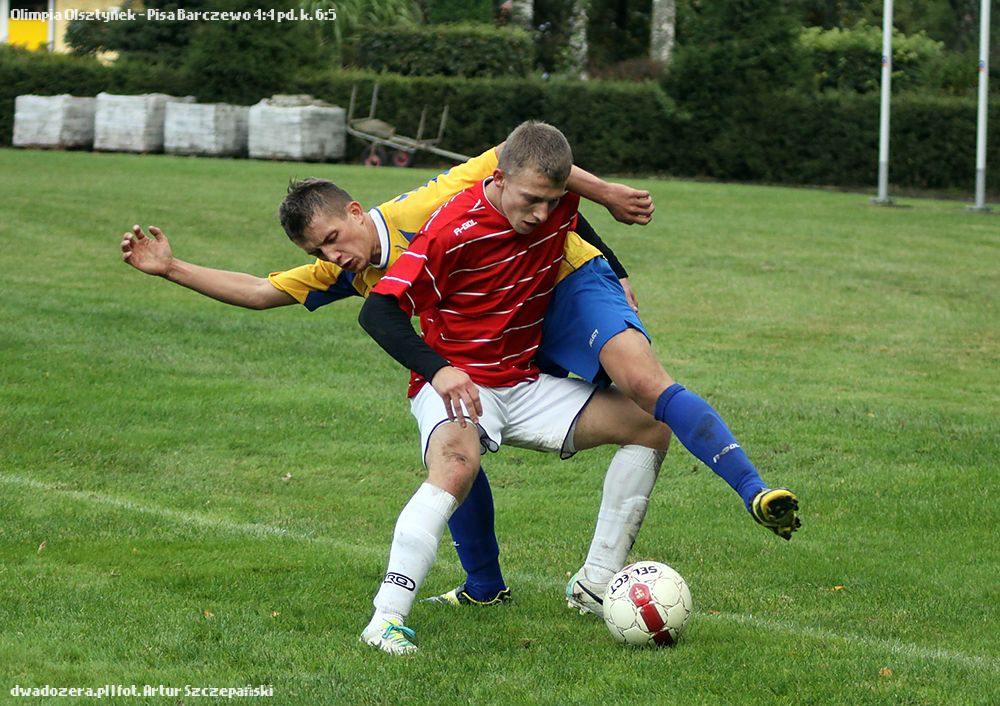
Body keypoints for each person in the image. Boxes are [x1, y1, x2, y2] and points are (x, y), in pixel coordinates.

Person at [120, 142, 666, 610]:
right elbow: (262, 292)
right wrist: (172, 268)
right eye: (318, 250)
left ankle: (590, 576)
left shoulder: (429, 204)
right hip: (476, 356)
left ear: (356, 212)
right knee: (458, 451)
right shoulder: (342, 270)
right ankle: (485, 587)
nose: (332, 255)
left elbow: (527, 167)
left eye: (334, 237)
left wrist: (610, 237)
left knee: (640, 407)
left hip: (544, 315)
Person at [357, 121, 797, 656]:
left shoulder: (557, 204)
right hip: (459, 384)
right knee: (456, 465)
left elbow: (576, 217)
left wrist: (617, 270)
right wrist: (440, 370)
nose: (542, 214)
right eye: (530, 200)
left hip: (522, 385)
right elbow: (378, 311)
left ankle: (596, 582)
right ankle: (386, 618)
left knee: (649, 423)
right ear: (498, 178)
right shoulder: (452, 229)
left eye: (552, 200)